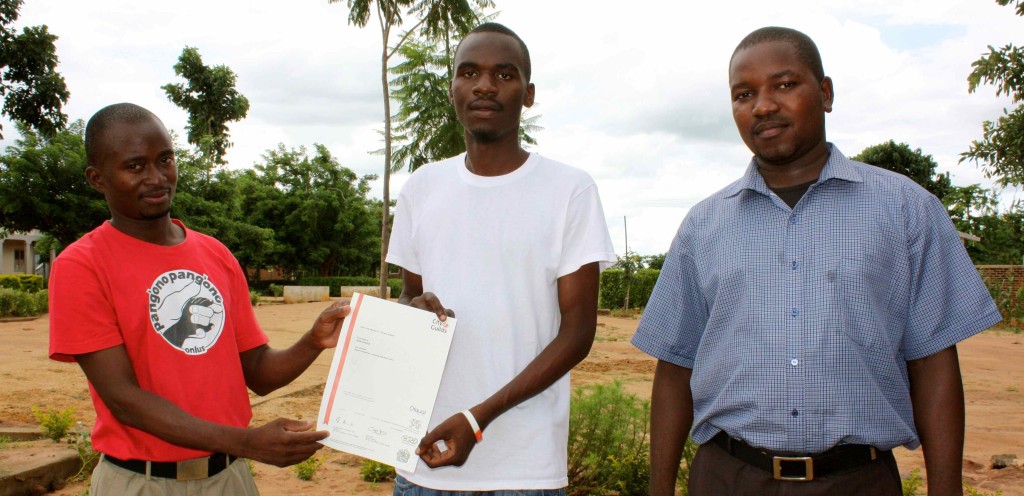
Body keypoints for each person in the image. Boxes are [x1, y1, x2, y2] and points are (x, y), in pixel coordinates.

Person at [631, 26, 1001, 496]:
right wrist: (659, 489)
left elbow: (934, 362)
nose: (763, 105)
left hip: (858, 481)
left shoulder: (906, 209)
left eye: (784, 85)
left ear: (825, 93)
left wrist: (946, 490)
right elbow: (676, 367)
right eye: (744, 94)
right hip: (727, 477)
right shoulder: (704, 226)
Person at [48, 102, 350, 495]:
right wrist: (247, 441)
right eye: (135, 166)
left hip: (228, 479)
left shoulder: (215, 255)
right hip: (141, 482)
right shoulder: (82, 265)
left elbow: (258, 371)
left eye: (165, 159)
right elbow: (123, 399)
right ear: (97, 178)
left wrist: (313, 341)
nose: (157, 177)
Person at [386, 22, 616, 494]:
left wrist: (477, 418)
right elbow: (409, 294)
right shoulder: (421, 188)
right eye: (468, 72)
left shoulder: (569, 190)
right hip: (420, 460)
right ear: (452, 89)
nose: (485, 85)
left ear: (528, 94)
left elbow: (577, 334)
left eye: (504, 75)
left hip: (524, 468)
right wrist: (413, 307)